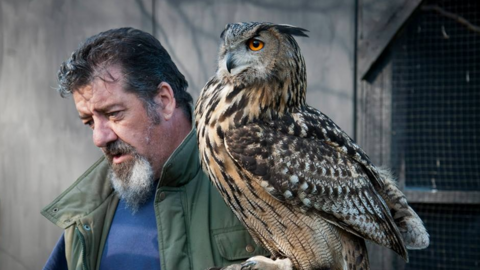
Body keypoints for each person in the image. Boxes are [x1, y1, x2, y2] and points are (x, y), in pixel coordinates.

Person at [42, 27, 268, 270]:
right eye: (89, 122)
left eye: (114, 114)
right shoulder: (86, 216)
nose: (99, 137)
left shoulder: (256, 180)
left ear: (164, 100)